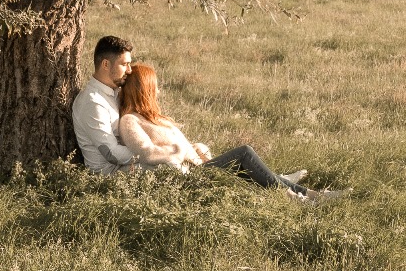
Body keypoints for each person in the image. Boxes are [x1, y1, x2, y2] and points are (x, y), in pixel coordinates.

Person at [117, 61, 314, 199]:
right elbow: (146, 153)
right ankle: (291, 191)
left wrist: (194, 148)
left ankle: (304, 192)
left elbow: (179, 146)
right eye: (155, 88)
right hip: (190, 178)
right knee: (243, 153)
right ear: (145, 91)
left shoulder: (154, 118)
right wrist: (180, 150)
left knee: (246, 169)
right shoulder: (130, 121)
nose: (158, 92)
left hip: (199, 167)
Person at [71, 35, 137, 174]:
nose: (129, 70)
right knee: (172, 165)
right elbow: (111, 154)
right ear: (106, 64)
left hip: (127, 166)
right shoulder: (92, 102)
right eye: (124, 64)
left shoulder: (116, 93)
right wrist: (152, 154)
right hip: (109, 176)